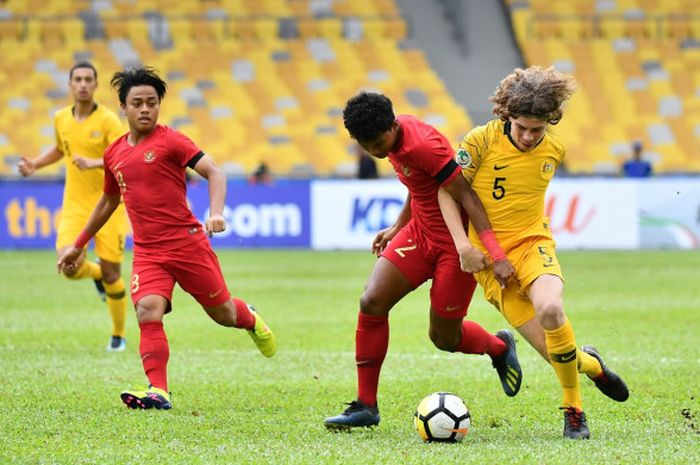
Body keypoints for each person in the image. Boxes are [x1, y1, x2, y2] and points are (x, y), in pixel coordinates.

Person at [57, 66, 277, 410]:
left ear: (159, 105)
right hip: (147, 251)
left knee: (222, 314)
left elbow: (214, 172)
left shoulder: (172, 141)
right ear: (124, 109)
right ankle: (158, 390)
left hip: (187, 244)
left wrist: (216, 212)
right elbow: (109, 200)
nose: (145, 109)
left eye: (151, 102)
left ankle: (249, 316)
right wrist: (79, 243)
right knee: (147, 310)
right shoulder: (113, 153)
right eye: (137, 103)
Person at [438, 66, 629, 440]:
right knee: (557, 354)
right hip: (491, 265)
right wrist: (464, 245)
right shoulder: (478, 142)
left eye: (537, 130)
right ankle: (593, 366)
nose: (528, 136)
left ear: (550, 123)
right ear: (507, 115)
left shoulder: (554, 150)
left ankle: (574, 411)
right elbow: (447, 190)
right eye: (521, 127)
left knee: (551, 309)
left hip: (532, 245)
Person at [324, 92, 523, 431]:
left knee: (444, 338)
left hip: (456, 248)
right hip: (419, 234)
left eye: (377, 142)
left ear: (393, 124)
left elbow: (468, 198)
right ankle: (365, 406)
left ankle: (498, 346)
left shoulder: (424, 145)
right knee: (371, 301)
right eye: (366, 145)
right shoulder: (391, 142)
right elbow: (417, 181)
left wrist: (496, 255)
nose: (374, 151)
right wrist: (398, 226)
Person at [18, 61, 130, 352]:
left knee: (113, 275)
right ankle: (94, 275)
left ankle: (118, 336)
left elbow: (124, 156)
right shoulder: (60, 119)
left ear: (95, 85)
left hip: (110, 205)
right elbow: (60, 148)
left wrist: (94, 162)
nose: (82, 84)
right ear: (70, 85)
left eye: (87, 79)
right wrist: (35, 164)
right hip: (75, 206)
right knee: (68, 265)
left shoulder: (108, 121)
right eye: (77, 79)